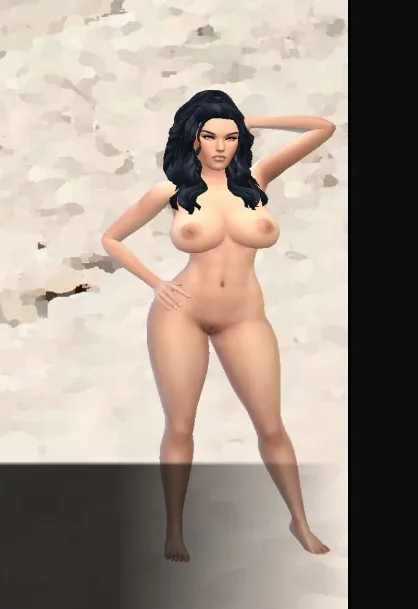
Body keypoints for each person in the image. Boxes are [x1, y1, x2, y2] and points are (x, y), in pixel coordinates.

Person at [100, 90, 335, 562]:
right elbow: (112, 238)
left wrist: (253, 119)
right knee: (180, 426)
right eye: (209, 136)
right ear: (193, 140)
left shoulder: (257, 180)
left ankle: (300, 522)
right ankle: (174, 529)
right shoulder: (171, 193)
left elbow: (322, 128)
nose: (221, 146)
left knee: (271, 426)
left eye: (230, 137)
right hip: (181, 314)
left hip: (244, 317)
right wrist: (156, 283)